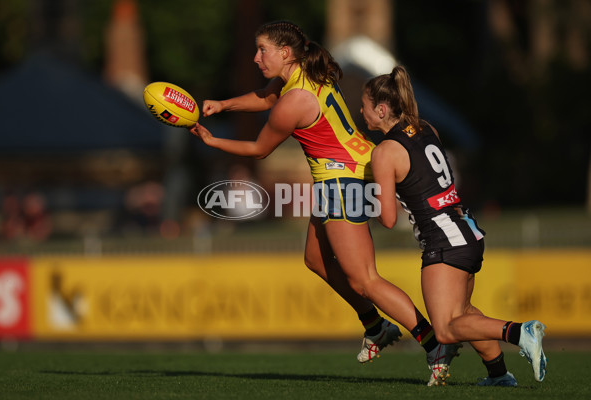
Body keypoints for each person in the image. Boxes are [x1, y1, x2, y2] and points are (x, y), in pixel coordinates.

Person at [190, 20, 460, 386]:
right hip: (340, 175)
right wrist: (223, 105)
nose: (256, 57)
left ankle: (433, 345)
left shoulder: (295, 102)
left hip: (342, 182)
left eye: (262, 50)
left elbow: (259, 149)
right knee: (315, 260)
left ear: (285, 53)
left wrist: (212, 142)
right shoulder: (305, 75)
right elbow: (266, 97)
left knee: (364, 279)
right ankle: (376, 326)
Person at [363, 65, 547, 386]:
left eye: (363, 106)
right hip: (467, 231)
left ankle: (520, 332)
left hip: (444, 241)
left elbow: (388, 220)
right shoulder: (425, 127)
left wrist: (373, 193)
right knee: (463, 312)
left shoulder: (385, 152)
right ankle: (499, 375)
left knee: (446, 328)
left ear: (381, 109)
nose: (360, 112)